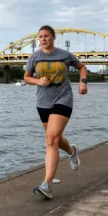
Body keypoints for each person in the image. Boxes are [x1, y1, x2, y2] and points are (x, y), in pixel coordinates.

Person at [24, 25, 88, 199]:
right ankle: (72, 152)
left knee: (50, 139)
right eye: (40, 36)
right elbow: (27, 77)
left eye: (46, 36)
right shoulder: (35, 57)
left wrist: (83, 82)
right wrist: (37, 81)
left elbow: (82, 67)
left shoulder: (64, 55)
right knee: (55, 138)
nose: (43, 39)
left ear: (53, 38)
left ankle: (47, 185)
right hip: (43, 102)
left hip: (63, 98)